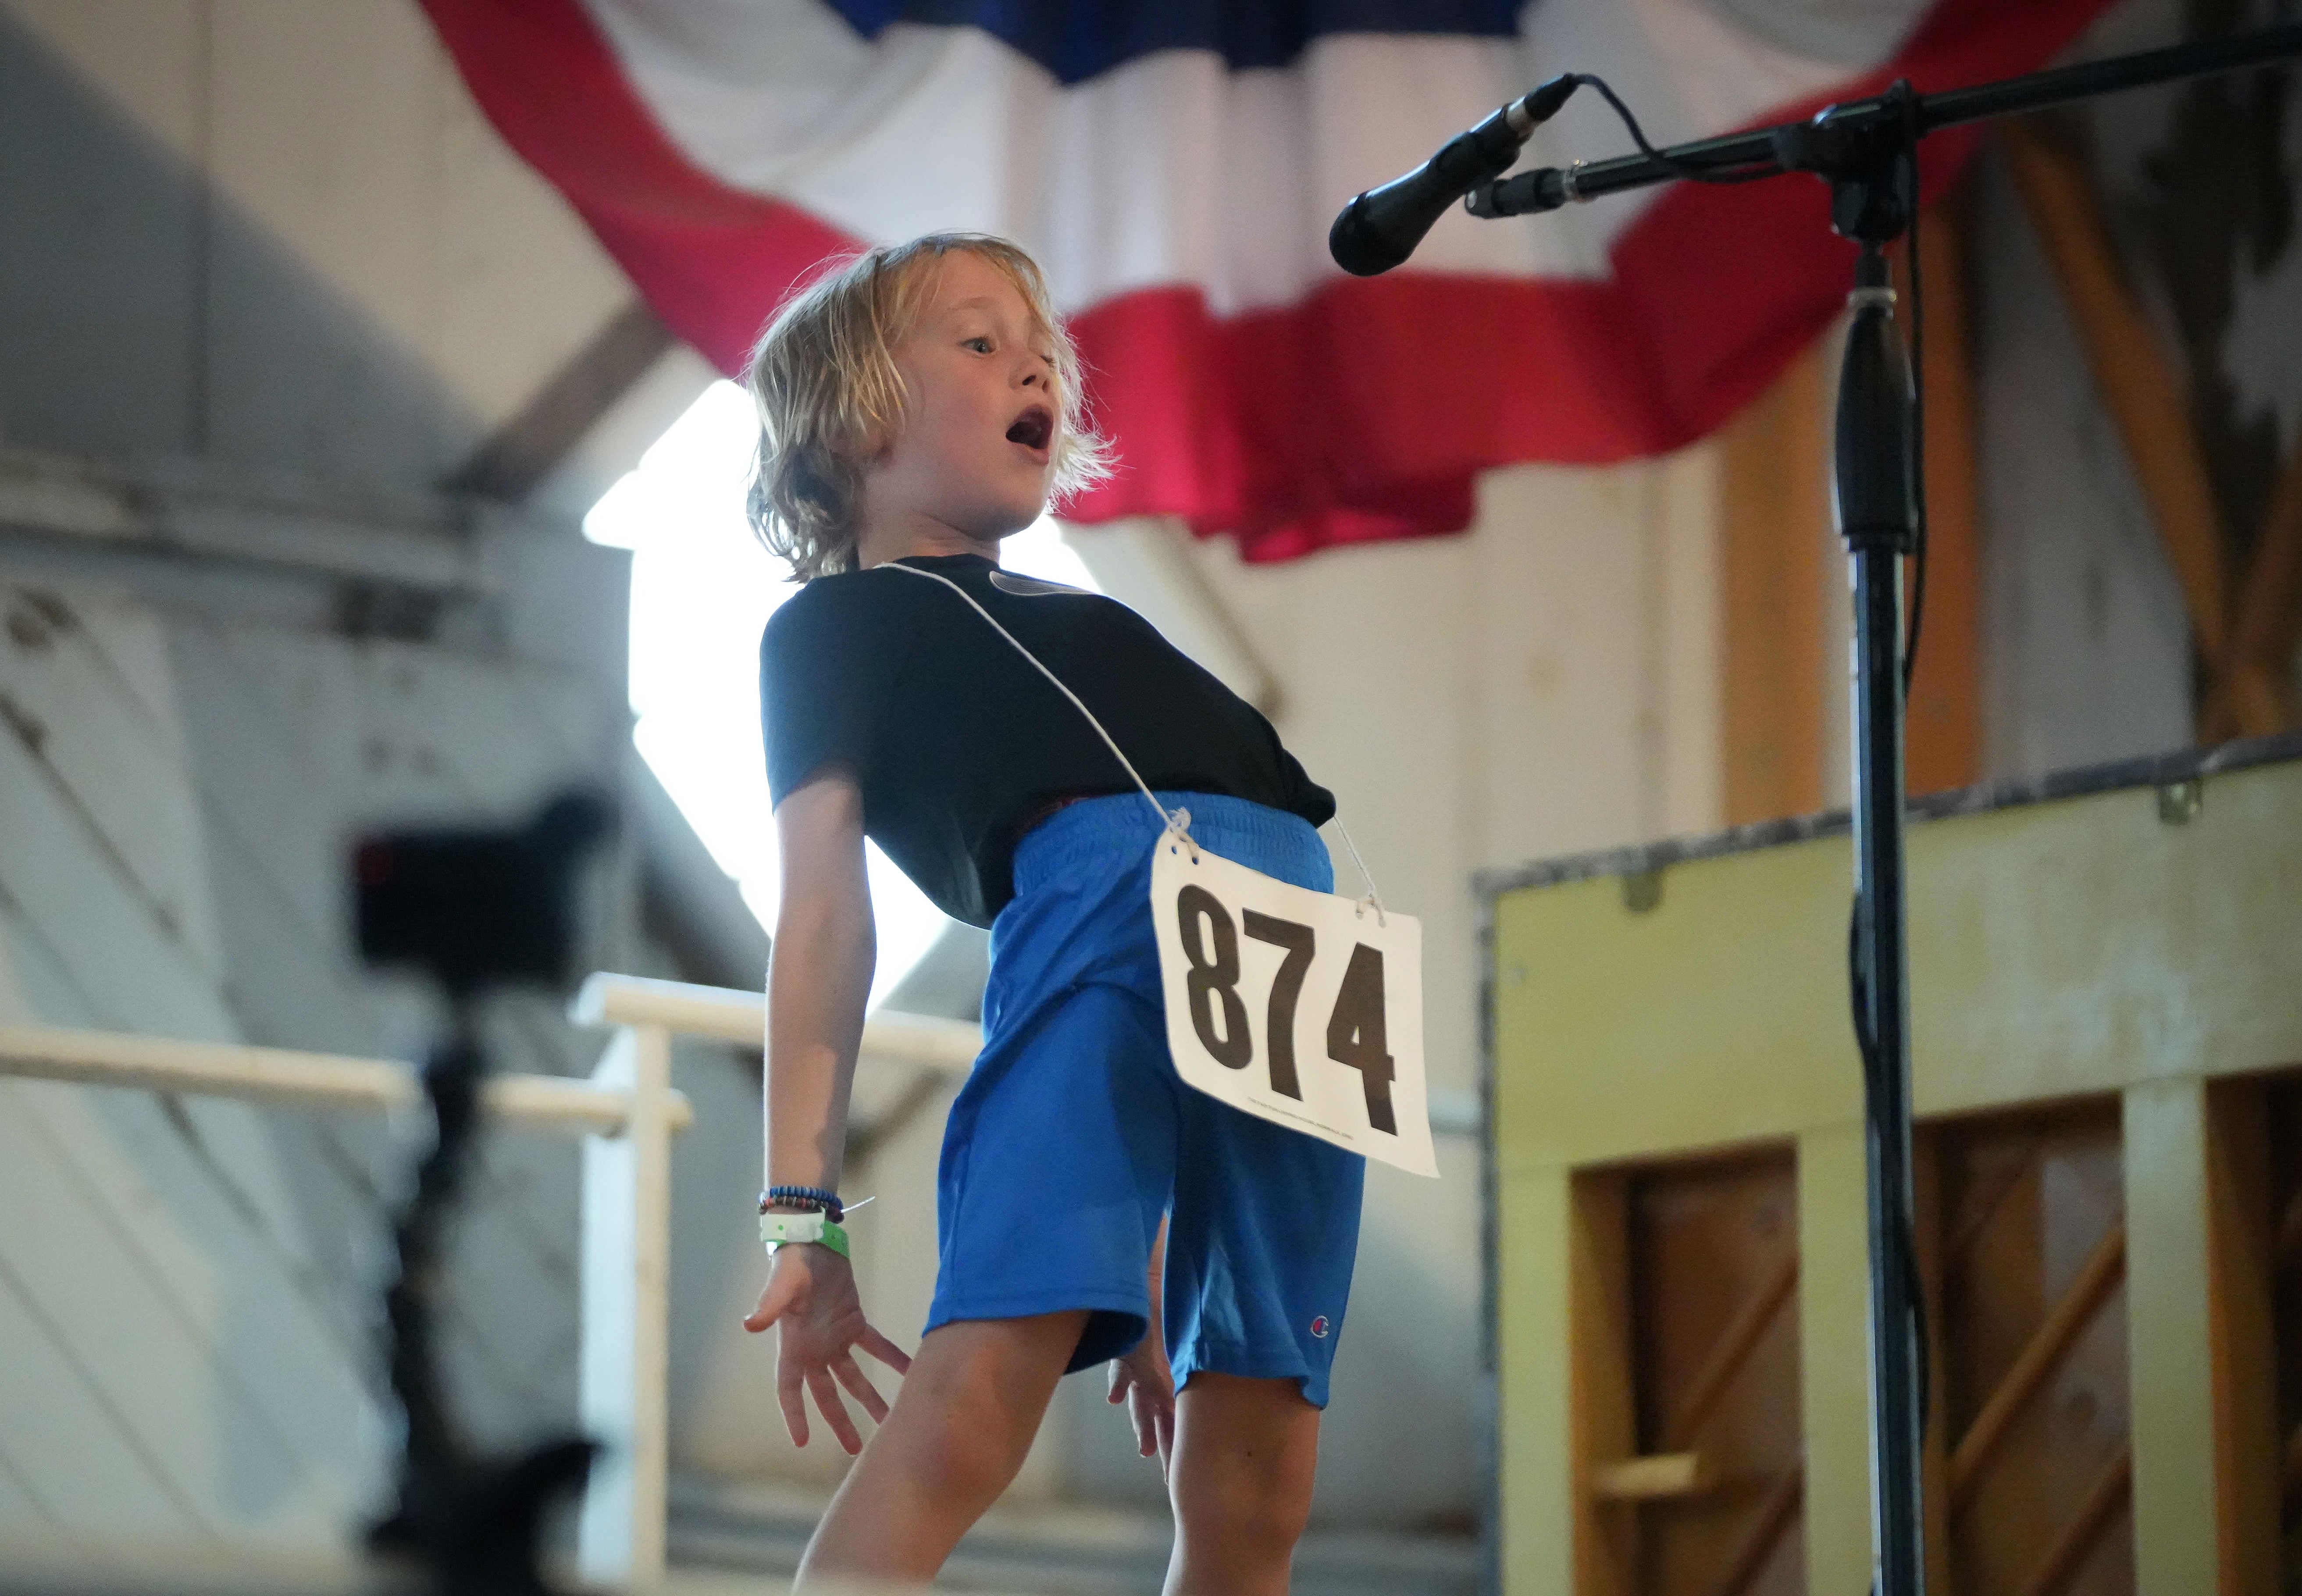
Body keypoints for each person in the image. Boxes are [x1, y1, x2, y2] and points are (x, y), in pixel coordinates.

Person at [737, 232, 1364, 1594]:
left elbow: (1173, 1009)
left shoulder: (1072, 610)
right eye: (976, 341)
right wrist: (803, 1211)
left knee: (1266, 1427)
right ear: (849, 418)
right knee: (979, 1392)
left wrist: (1141, 1261)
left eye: (1041, 351)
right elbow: (823, 911)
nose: (1032, 364)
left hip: (1303, 935)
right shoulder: (835, 625)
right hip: (1104, 893)